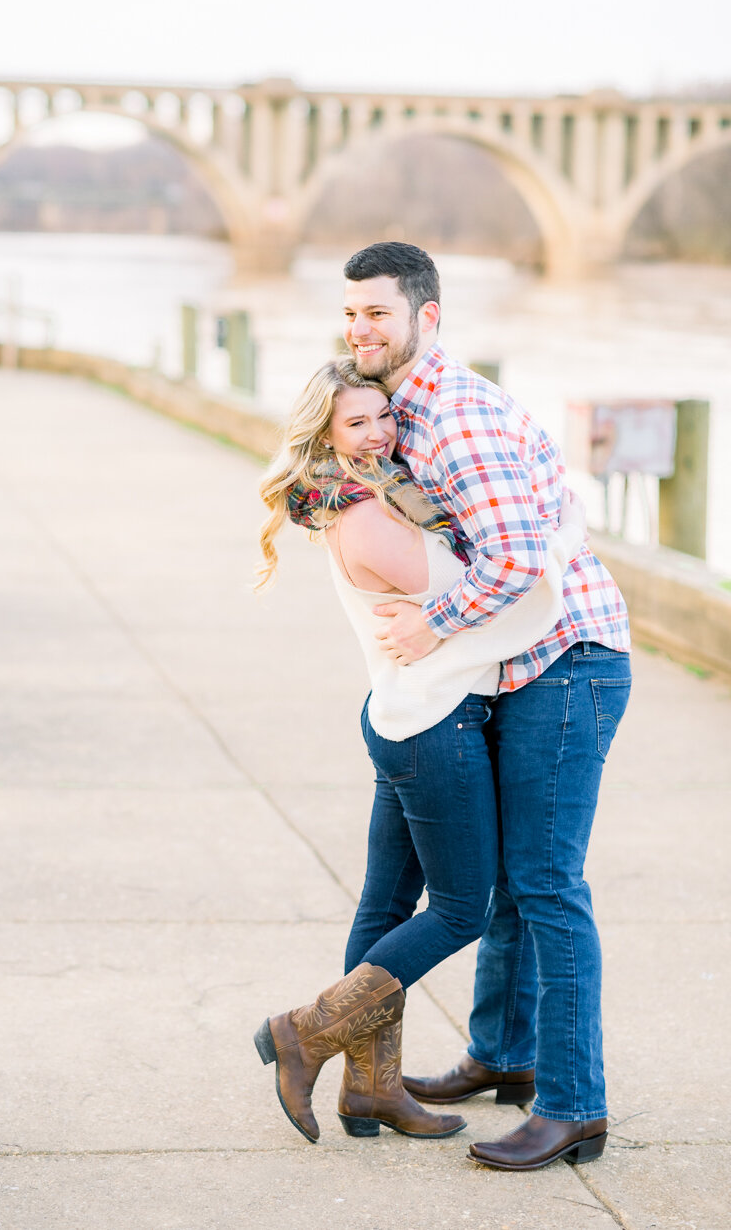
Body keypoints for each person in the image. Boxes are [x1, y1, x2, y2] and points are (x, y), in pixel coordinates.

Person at [338, 241, 631, 1171]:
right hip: (517, 664)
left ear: (428, 316)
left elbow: (510, 561)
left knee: (545, 883)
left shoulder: (453, 416)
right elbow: (542, 509)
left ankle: (574, 1104)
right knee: (507, 880)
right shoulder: (399, 417)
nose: (360, 330)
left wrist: (430, 628)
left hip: (567, 661)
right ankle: (502, 1056)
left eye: (377, 313)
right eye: (350, 314)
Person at [253, 359, 585, 1147]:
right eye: (355, 423)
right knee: (463, 907)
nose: (377, 433)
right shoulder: (365, 514)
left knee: (384, 907)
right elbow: (495, 598)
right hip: (433, 724)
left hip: (407, 714)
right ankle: (305, 1031)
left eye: (382, 417)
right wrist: (560, 527)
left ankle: (370, 1092)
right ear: (324, 436)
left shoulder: (372, 493)